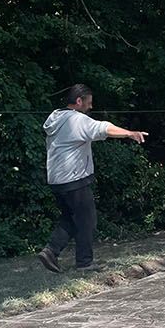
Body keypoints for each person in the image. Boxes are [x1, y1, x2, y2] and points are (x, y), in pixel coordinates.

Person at [38, 85, 148, 273]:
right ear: (79, 101)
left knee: (71, 218)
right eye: (88, 103)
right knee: (87, 219)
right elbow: (103, 128)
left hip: (56, 179)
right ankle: (84, 263)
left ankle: (50, 251)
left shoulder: (56, 118)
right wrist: (130, 133)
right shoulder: (76, 120)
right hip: (74, 178)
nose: (90, 107)